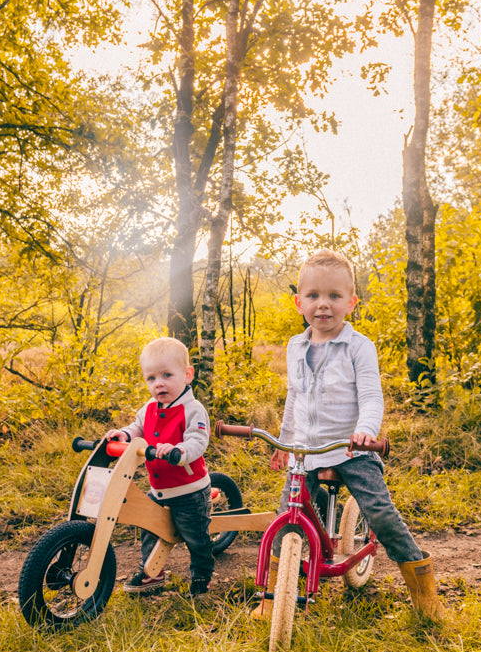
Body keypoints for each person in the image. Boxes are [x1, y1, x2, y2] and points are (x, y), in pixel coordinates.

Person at [255, 249, 442, 618]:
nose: (323, 305)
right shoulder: (295, 346)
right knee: (283, 520)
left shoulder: (360, 347)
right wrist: (283, 441)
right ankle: (272, 599)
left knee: (381, 513)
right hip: (304, 452)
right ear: (299, 302)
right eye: (313, 296)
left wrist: (364, 431)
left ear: (351, 303)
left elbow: (372, 396)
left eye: (334, 296)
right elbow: (294, 397)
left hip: (350, 450)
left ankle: (424, 592)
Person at [104, 337, 214, 596]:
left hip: (189, 490)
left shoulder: (192, 409)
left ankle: (201, 576)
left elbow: (198, 440)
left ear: (187, 375)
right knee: (149, 528)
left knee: (195, 537)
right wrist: (124, 435)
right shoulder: (149, 408)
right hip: (160, 489)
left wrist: (180, 451)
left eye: (166, 375)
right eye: (151, 378)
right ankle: (152, 574)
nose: (158, 384)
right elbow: (138, 428)